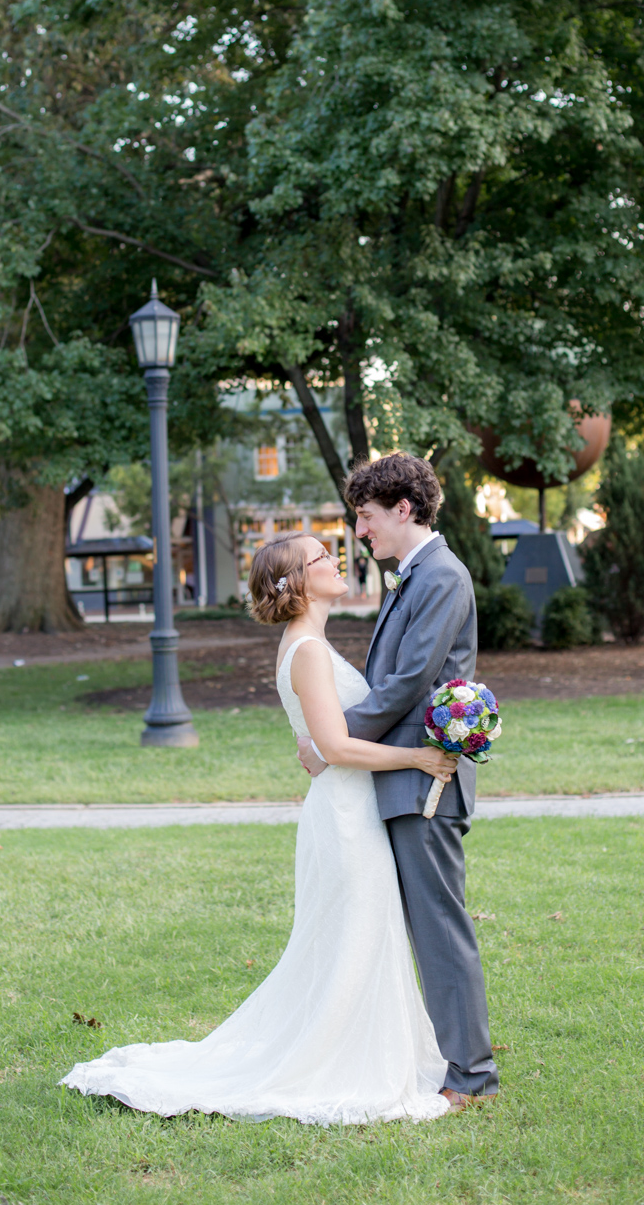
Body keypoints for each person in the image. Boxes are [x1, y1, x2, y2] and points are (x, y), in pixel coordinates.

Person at [60, 529, 459, 1124]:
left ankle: (362, 1053)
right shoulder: (307, 650)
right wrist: (419, 758)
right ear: (298, 581)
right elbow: (334, 747)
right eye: (322, 556)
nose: (335, 560)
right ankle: (340, 1064)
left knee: (358, 939)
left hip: (352, 809)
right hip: (345, 817)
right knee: (353, 940)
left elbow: (326, 739)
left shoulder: (311, 644)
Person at [297, 452, 498, 1109]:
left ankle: (472, 1075)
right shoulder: (414, 575)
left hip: (427, 782)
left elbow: (409, 682)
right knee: (424, 926)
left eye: (366, 516)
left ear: (402, 509)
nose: (360, 530)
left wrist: (333, 741)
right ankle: (451, 1062)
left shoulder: (441, 576)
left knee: (439, 927)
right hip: (404, 778)